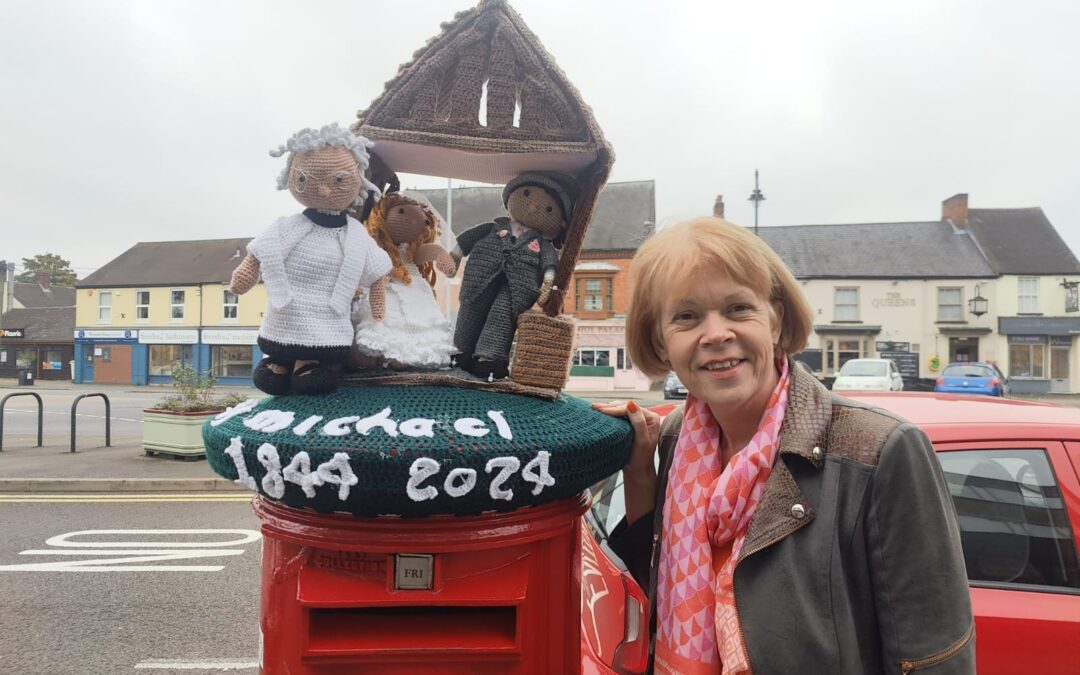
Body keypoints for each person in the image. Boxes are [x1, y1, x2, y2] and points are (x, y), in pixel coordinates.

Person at [593, 217, 974, 674]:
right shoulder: (675, 437)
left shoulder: (882, 451)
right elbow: (649, 590)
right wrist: (639, 471)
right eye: (687, 317)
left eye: (737, 309)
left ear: (774, 319)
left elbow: (934, 656)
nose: (715, 334)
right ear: (661, 339)